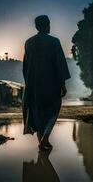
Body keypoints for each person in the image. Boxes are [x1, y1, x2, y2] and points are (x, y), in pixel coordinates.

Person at [23, 15, 71, 151]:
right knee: (54, 109)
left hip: (33, 85)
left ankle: (44, 141)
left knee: (37, 113)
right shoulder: (54, 42)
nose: (50, 26)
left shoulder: (28, 42)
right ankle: (44, 139)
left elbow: (26, 66)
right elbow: (59, 64)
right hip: (50, 85)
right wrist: (62, 84)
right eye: (49, 24)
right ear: (45, 25)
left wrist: (28, 83)